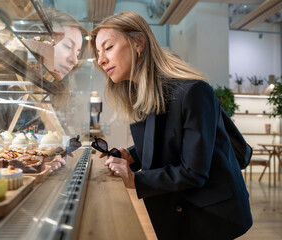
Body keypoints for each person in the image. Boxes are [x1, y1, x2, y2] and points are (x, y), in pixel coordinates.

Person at [90, 11, 252, 240]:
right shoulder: (143, 94)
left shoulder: (193, 92)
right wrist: (132, 155)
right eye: (98, 53)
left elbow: (194, 172)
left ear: (138, 43)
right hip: (178, 211)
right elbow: (168, 138)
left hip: (211, 217)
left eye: (108, 48)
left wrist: (135, 179)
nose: (101, 60)